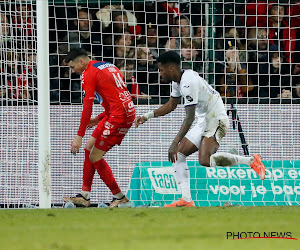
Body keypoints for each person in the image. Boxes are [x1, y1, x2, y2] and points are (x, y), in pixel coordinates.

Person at [135, 51, 266, 207]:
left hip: (217, 118)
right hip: (204, 119)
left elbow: (189, 118)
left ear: (170, 68)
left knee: (204, 160)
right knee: (179, 155)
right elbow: (171, 105)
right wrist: (147, 116)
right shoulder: (177, 82)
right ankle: (186, 200)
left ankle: (251, 161)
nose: (160, 73)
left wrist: (175, 141)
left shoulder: (188, 82)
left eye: (161, 69)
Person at [63, 48, 136, 207]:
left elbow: (87, 107)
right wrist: (98, 119)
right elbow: (117, 98)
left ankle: (120, 197)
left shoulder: (87, 74)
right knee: (89, 148)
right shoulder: (107, 65)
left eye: (72, 66)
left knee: (95, 156)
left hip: (119, 116)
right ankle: (84, 195)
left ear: (81, 61)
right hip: (120, 111)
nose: (73, 70)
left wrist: (79, 136)